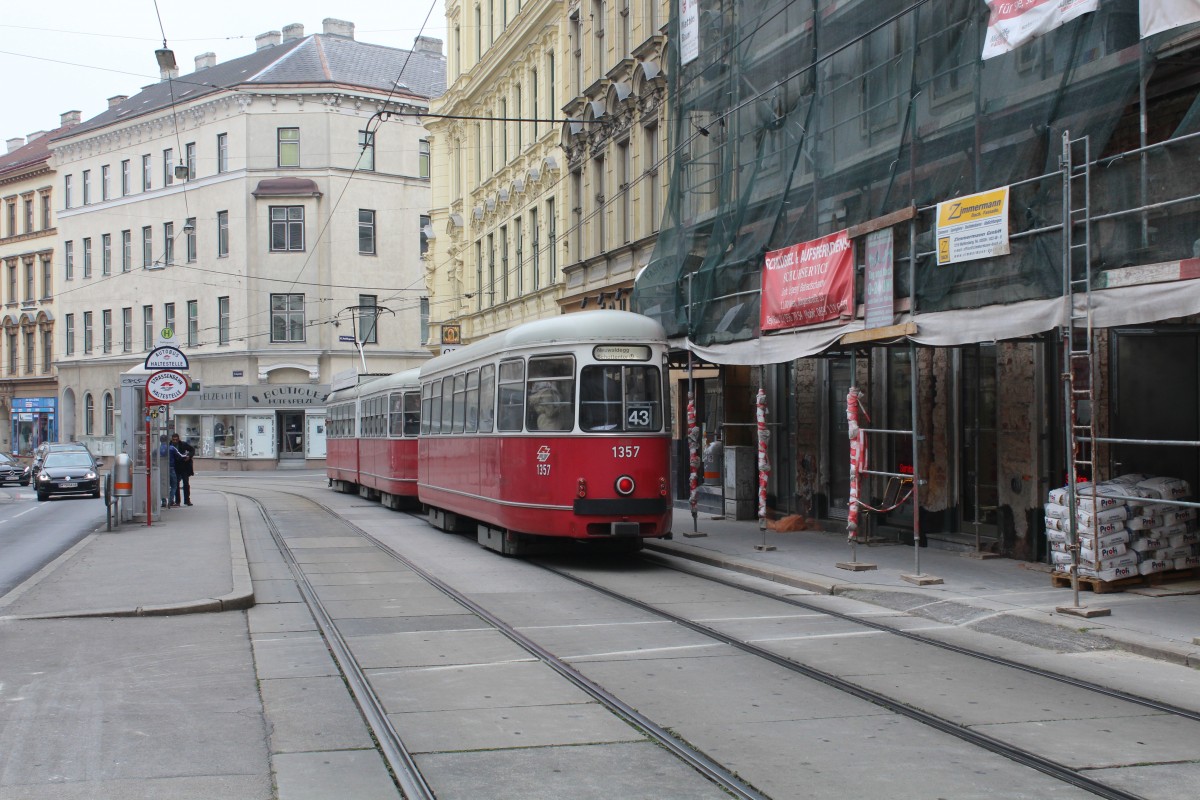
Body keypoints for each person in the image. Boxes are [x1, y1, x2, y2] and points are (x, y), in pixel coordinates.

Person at [170, 432, 196, 506]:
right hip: (175, 467)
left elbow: (192, 450)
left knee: (186, 484)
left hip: (184, 467)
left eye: (176, 440)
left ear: (178, 439)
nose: (175, 441)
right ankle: (177, 501)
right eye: (173, 440)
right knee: (176, 484)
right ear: (171, 439)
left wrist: (189, 456)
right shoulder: (170, 445)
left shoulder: (183, 444)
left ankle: (187, 500)